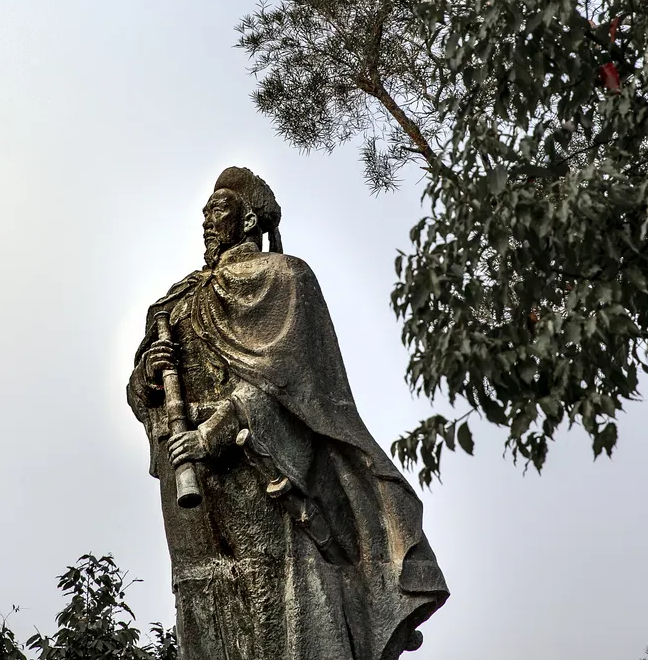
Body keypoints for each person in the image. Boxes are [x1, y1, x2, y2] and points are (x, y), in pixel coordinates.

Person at [127, 166, 448, 660]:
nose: (208, 221)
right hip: (187, 477)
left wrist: (216, 429)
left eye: (220, 210)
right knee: (203, 600)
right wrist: (148, 374)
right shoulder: (176, 301)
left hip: (260, 468)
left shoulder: (285, 279)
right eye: (205, 213)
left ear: (250, 218)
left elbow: (299, 393)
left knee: (275, 603)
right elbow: (139, 395)